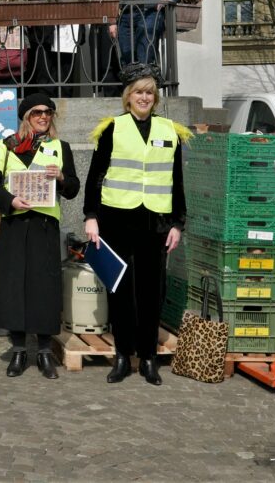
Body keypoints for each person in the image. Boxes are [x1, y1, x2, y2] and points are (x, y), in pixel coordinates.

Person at [83, 63, 190, 385]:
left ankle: (148, 359)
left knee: (150, 293)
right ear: (128, 97)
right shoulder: (113, 129)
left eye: (149, 92)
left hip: (155, 222)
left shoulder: (170, 130)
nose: (144, 97)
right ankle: (122, 356)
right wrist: (91, 217)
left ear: (155, 98)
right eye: (138, 92)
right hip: (117, 218)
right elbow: (95, 176)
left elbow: (177, 181)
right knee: (120, 291)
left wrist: (177, 224)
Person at [0, 93, 80, 379]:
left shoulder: (60, 147)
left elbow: (74, 187)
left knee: (44, 288)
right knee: (13, 286)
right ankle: (18, 351)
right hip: (14, 225)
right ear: (26, 116)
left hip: (44, 226)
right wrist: (10, 200)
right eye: (37, 112)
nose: (43, 117)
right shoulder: (6, 146)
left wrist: (62, 177)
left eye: (48, 112)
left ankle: (43, 351)